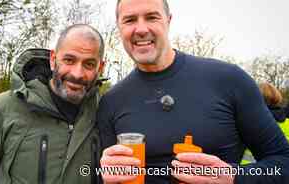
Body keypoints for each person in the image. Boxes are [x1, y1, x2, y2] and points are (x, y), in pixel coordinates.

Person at [97, 0, 289, 183]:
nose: (141, 29)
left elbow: (283, 162)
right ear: (119, 27)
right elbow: (101, 176)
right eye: (130, 20)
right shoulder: (111, 101)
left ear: (168, 21)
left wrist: (233, 177)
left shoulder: (229, 80)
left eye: (151, 17)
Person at [0, 24, 105, 184]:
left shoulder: (105, 113)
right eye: (69, 60)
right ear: (53, 60)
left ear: (100, 68)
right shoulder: (1, 108)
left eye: (89, 64)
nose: (77, 73)